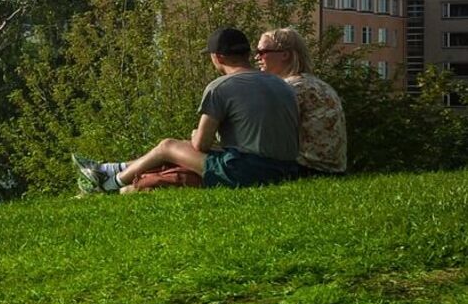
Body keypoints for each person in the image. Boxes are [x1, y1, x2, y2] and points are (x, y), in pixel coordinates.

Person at [76, 27, 301, 194]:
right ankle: (109, 169)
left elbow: (200, 145)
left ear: (218, 57)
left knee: (168, 146)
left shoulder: (221, 87)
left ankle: (108, 184)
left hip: (246, 171)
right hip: (287, 170)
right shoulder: (281, 84)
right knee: (175, 151)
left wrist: (195, 135)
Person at [255, 27, 347, 177]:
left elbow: (264, 133)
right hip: (335, 170)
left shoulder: (290, 88)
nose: (257, 57)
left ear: (285, 55)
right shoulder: (320, 85)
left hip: (304, 169)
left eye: (262, 52)